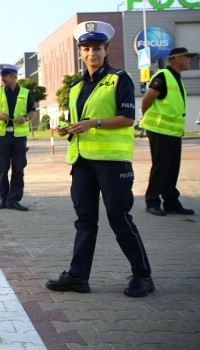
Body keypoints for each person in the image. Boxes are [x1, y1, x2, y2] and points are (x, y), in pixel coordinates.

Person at [46, 20, 154, 298]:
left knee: (119, 217)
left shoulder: (119, 78)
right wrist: (68, 129)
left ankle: (143, 275)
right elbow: (78, 122)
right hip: (82, 162)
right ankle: (78, 276)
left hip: (112, 161)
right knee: (84, 220)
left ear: (106, 50)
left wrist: (93, 123)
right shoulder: (74, 87)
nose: (91, 53)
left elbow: (128, 118)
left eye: (97, 48)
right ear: (80, 52)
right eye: (86, 48)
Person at [140, 47, 197, 217]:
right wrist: (145, 115)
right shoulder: (163, 76)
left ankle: (171, 202)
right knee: (161, 167)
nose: (190, 61)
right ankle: (152, 201)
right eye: (188, 58)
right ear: (178, 59)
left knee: (172, 168)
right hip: (159, 130)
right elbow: (146, 99)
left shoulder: (176, 78)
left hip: (172, 132)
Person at [0, 64, 36, 211]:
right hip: (2, 137)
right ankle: (3, 198)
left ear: (14, 76)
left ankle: (14, 199)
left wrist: (25, 118)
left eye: (5, 75)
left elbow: (32, 112)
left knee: (18, 168)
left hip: (19, 137)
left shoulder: (26, 93)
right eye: (2, 75)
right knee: (2, 168)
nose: (2, 78)